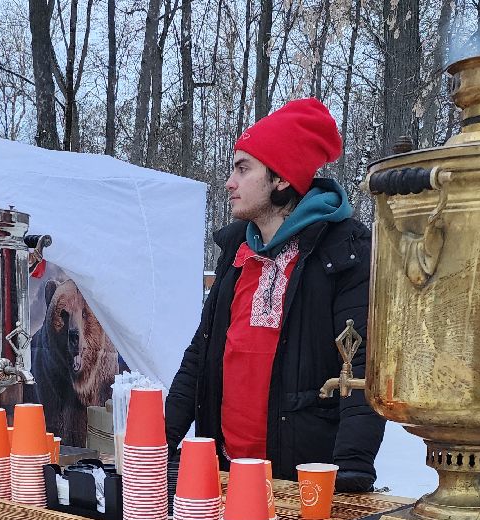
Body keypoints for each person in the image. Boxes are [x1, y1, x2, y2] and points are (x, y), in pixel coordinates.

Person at [164, 97, 385, 491]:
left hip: (301, 479)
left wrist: (352, 468)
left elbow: (363, 364)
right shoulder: (237, 250)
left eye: (243, 169)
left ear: (281, 179)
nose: (230, 182)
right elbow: (201, 352)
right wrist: (161, 441)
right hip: (226, 472)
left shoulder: (343, 250)